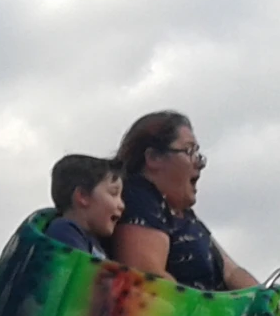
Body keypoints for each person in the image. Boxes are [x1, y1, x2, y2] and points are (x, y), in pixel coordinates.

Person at [108, 111, 256, 291]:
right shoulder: (140, 199)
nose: (199, 163)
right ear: (153, 158)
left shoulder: (183, 215)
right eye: (189, 151)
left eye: (197, 153)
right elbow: (148, 280)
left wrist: (272, 300)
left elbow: (231, 272)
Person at [42, 155, 123, 259]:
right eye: (113, 193)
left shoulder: (92, 241)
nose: (121, 205)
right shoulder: (64, 230)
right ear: (83, 196)